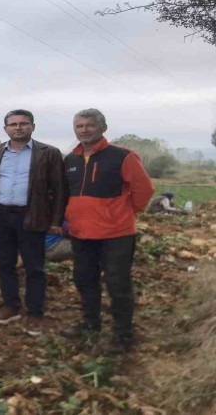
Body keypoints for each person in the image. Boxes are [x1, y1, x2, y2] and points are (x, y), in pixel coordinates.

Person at [61, 108, 154, 353]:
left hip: (117, 235)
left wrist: (123, 213)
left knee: (117, 284)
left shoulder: (123, 156)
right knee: (85, 281)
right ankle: (90, 325)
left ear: (102, 128)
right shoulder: (70, 160)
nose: (84, 130)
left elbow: (143, 190)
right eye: (79, 126)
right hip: (81, 234)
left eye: (89, 125)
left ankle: (123, 336)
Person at [0, 109, 67, 336]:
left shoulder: (48, 153)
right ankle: (11, 306)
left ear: (32, 127)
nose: (18, 127)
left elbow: (60, 189)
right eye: (13, 124)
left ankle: (35, 314)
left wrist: (56, 221)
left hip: (32, 216)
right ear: (5, 128)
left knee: (34, 267)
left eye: (23, 124)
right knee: (5, 264)